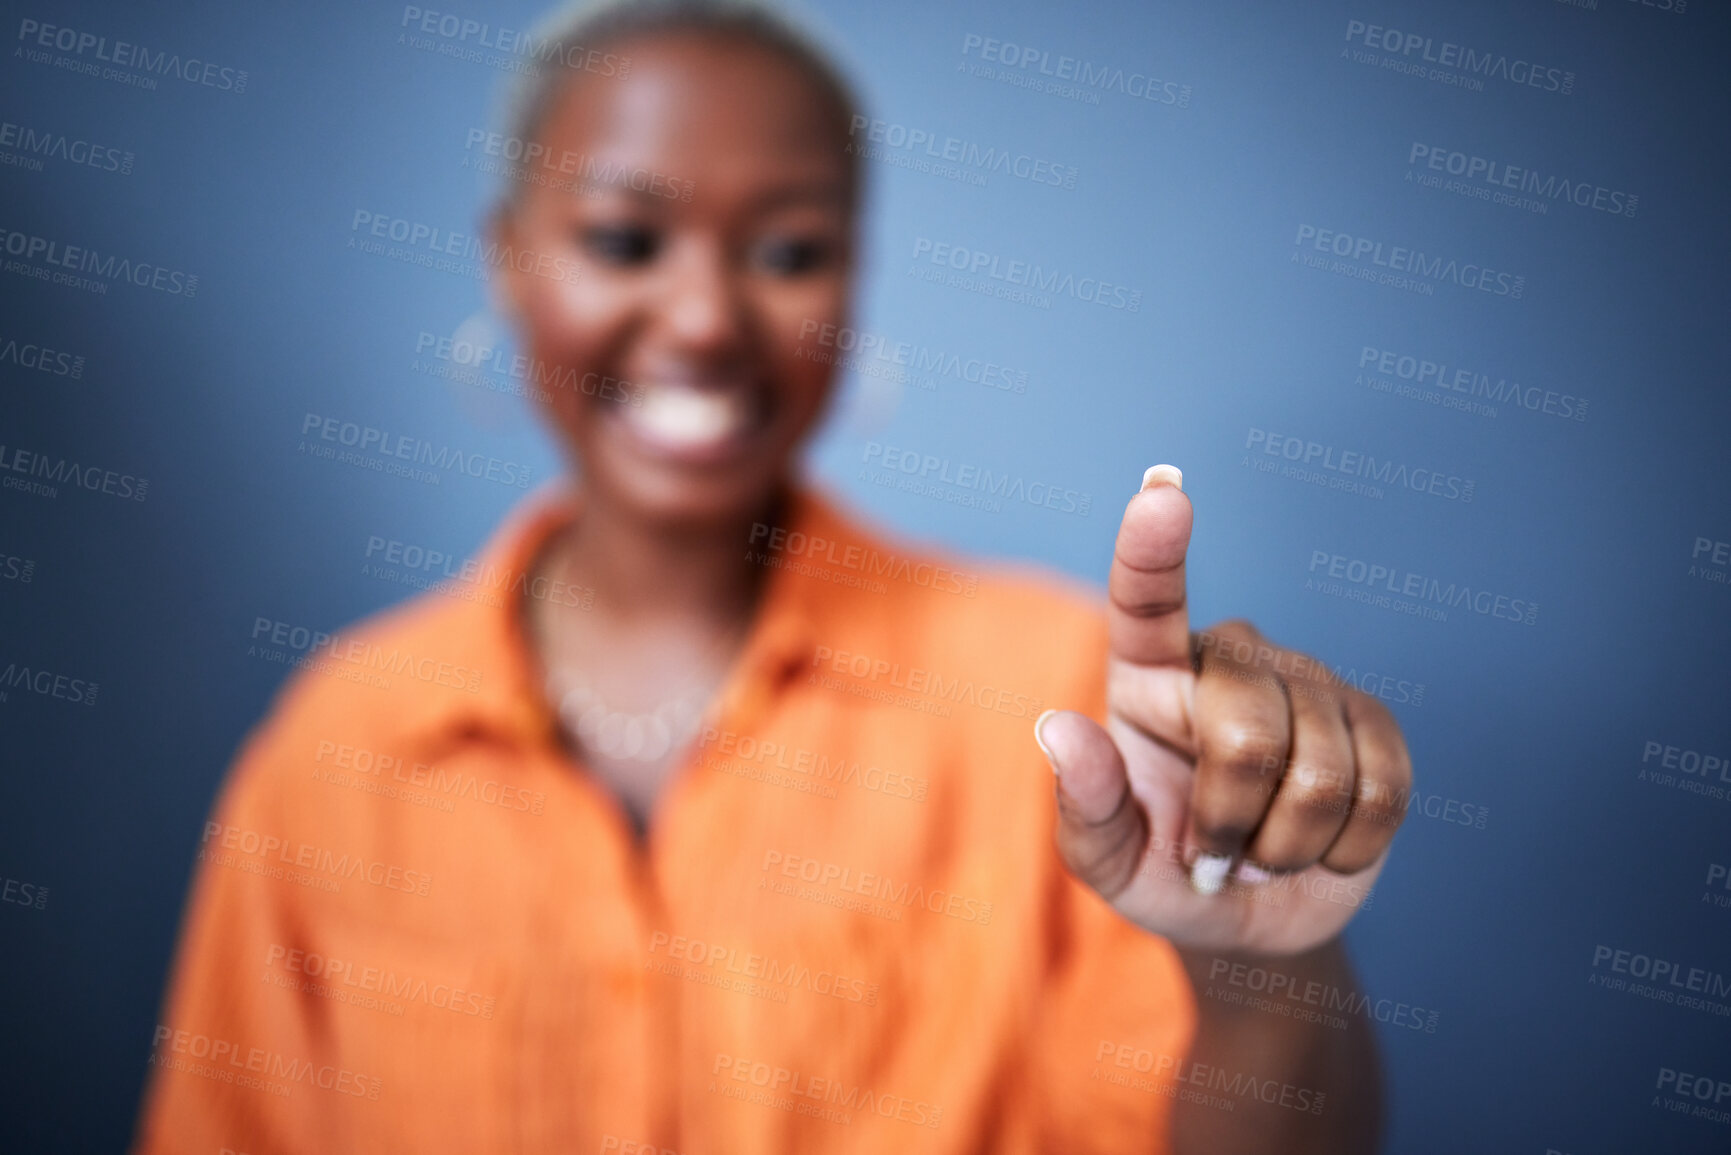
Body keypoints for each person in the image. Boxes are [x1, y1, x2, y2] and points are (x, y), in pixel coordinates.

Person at [135, 1, 1412, 1151]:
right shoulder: (340, 745)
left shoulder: (1059, 709)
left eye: (789, 251)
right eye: (626, 238)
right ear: (509, 262)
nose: (702, 318)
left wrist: (1265, 980)